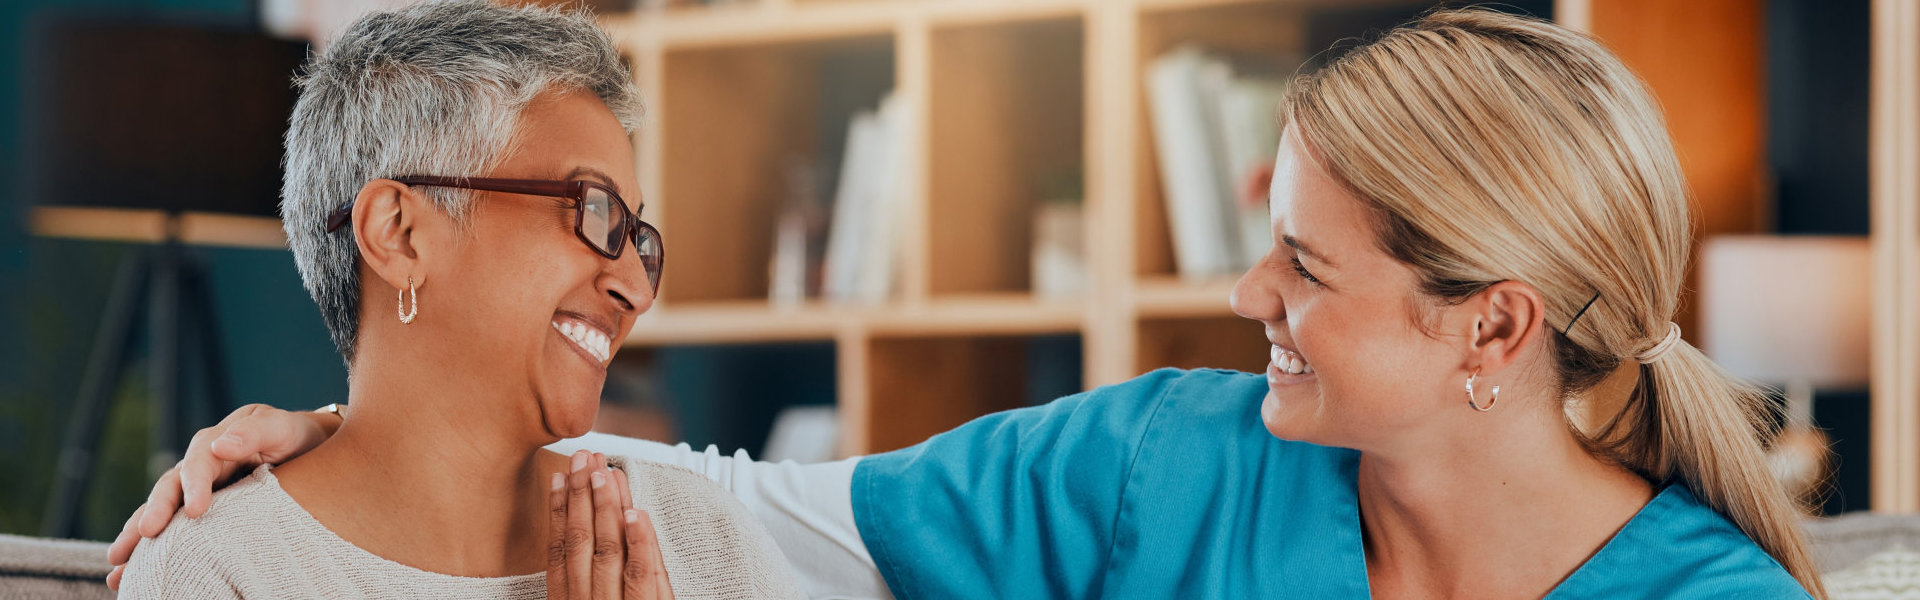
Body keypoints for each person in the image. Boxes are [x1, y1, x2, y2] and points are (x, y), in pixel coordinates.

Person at [111, 8, 1822, 599]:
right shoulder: (1167, 464)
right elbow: (760, 511)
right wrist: (367, 430)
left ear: (1494, 329)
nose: (1244, 296)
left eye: (1306, 264)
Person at [112, 2, 805, 598]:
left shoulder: (704, 542)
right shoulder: (218, 572)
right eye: (595, 212)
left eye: (637, 237)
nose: (636, 287)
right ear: (399, 234)